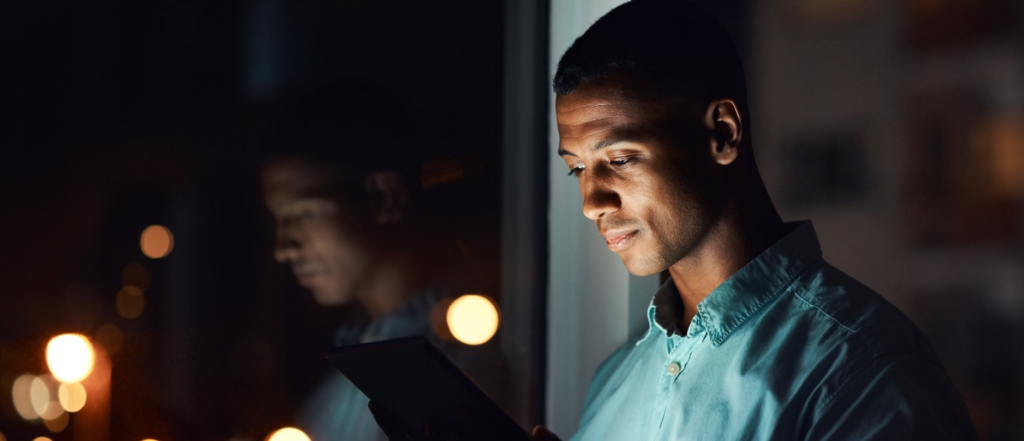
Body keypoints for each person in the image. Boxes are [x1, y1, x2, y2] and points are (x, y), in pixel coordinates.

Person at [376, 0, 977, 439]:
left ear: (721, 133)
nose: (592, 201)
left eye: (619, 159)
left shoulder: (863, 373)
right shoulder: (614, 381)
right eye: (576, 169)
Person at [262, 82, 506, 441]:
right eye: (277, 219)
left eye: (302, 214)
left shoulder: (469, 358)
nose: (283, 248)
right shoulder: (344, 377)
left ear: (384, 196)